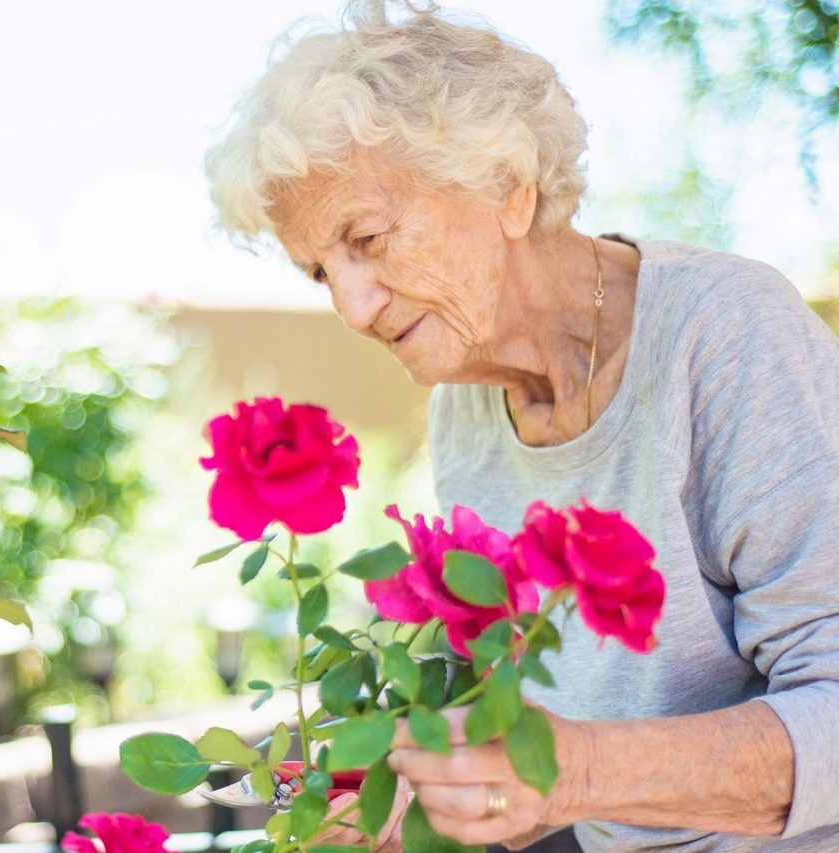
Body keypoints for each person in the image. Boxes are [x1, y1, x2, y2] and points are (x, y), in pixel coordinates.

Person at [202, 2, 839, 851]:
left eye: (369, 237)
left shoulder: (727, 335)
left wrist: (567, 774)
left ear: (505, 186)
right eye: (323, 270)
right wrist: (424, 795)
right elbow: (530, 732)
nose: (351, 307)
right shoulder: (465, 413)